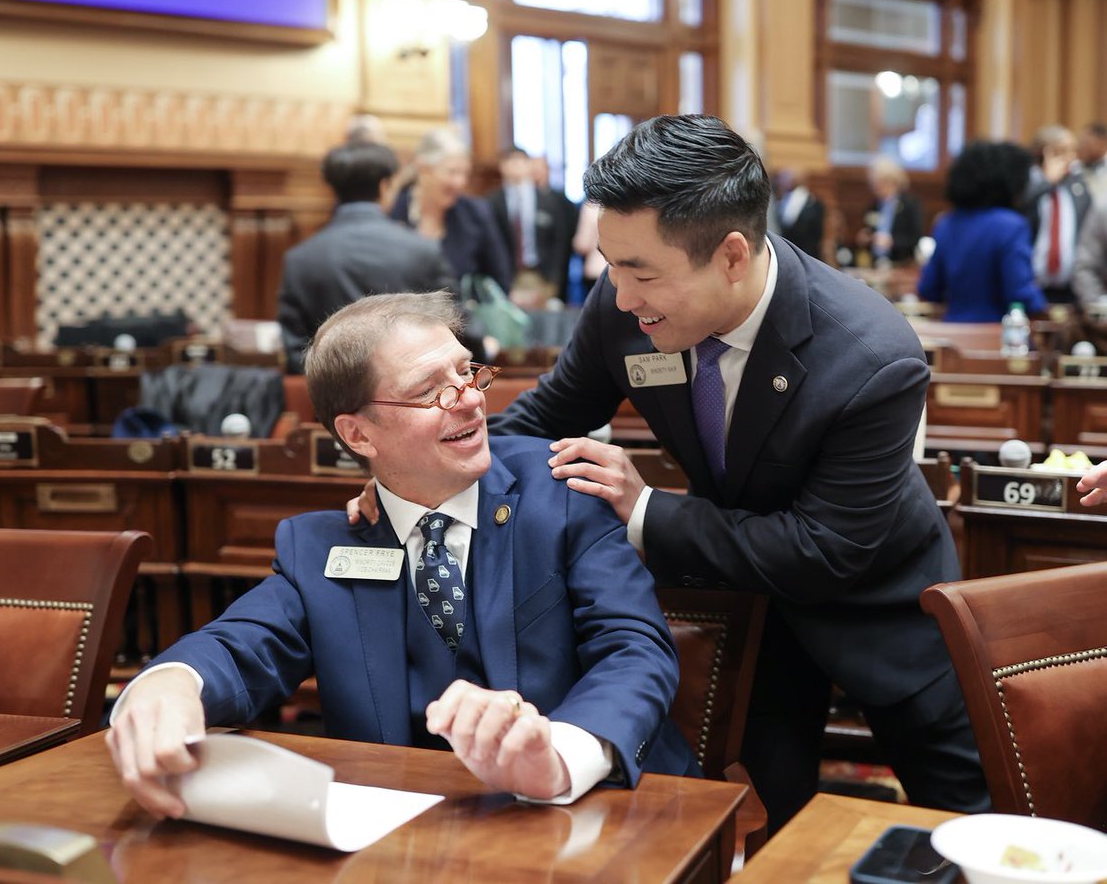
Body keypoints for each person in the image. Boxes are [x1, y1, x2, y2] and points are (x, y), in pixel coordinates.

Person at [474, 114, 989, 832]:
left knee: (973, 821)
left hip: (877, 605)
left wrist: (644, 509)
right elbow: (541, 418)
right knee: (754, 824)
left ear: (733, 256)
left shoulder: (872, 355)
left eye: (641, 272)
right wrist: (427, 472)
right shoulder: (626, 307)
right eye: (611, 265)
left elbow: (825, 550)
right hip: (743, 611)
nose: (620, 296)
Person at [107, 291, 696, 818]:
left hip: (596, 812)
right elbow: (239, 646)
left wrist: (564, 754)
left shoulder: (562, 490)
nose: (468, 401)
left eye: (468, 373)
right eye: (430, 392)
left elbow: (634, 649)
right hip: (403, 832)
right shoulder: (324, 546)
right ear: (359, 435)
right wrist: (169, 683)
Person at [276, 141, 456, 370]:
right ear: (384, 186)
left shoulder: (299, 259)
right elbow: (456, 323)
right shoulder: (422, 251)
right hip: (415, 396)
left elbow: (296, 350)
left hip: (329, 398)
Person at [917, 140, 1047, 322]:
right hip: (998, 337)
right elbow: (1020, 294)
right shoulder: (1011, 225)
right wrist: (1045, 306)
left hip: (952, 335)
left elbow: (929, 289)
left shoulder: (946, 223)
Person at [390, 128, 514, 294]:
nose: (460, 182)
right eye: (452, 172)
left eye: (465, 174)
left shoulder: (475, 213)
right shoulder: (391, 210)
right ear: (423, 168)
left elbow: (500, 280)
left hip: (462, 317)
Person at [486, 146, 578, 307]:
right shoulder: (492, 202)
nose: (516, 166)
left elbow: (561, 241)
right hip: (509, 276)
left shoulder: (549, 200)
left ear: (529, 165)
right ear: (502, 166)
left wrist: (555, 279)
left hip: (544, 275)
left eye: (521, 161)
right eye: (510, 161)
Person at [1024, 124, 1094, 305]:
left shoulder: (1077, 187)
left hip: (1069, 289)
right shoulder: (1026, 183)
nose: (1071, 157)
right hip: (1031, 284)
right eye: (1062, 151)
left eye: (1073, 150)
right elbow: (1020, 212)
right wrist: (1047, 182)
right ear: (1043, 153)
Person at [854, 156, 923, 265]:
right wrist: (866, 238)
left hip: (901, 263)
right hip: (876, 264)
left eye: (880, 182)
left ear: (892, 181)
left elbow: (915, 238)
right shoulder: (874, 205)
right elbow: (869, 230)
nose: (876, 187)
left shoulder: (909, 205)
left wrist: (893, 242)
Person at [770, 167, 825, 262]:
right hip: (785, 253)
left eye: (786, 178)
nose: (781, 182)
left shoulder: (813, 204)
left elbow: (816, 234)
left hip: (806, 254)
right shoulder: (780, 201)